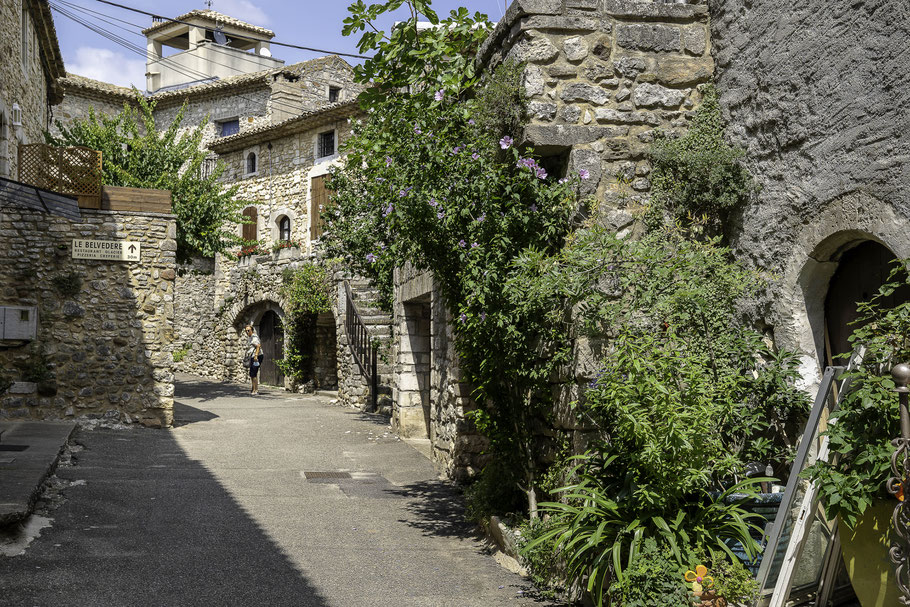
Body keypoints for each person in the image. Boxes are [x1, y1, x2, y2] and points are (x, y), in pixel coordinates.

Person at [244, 325, 263, 395]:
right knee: (252, 373)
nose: (247, 332)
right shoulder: (250, 337)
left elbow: (258, 346)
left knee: (254, 372)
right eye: (246, 330)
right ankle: (253, 388)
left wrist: (256, 356)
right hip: (252, 356)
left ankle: (256, 390)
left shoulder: (254, 337)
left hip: (257, 356)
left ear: (252, 330)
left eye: (248, 330)